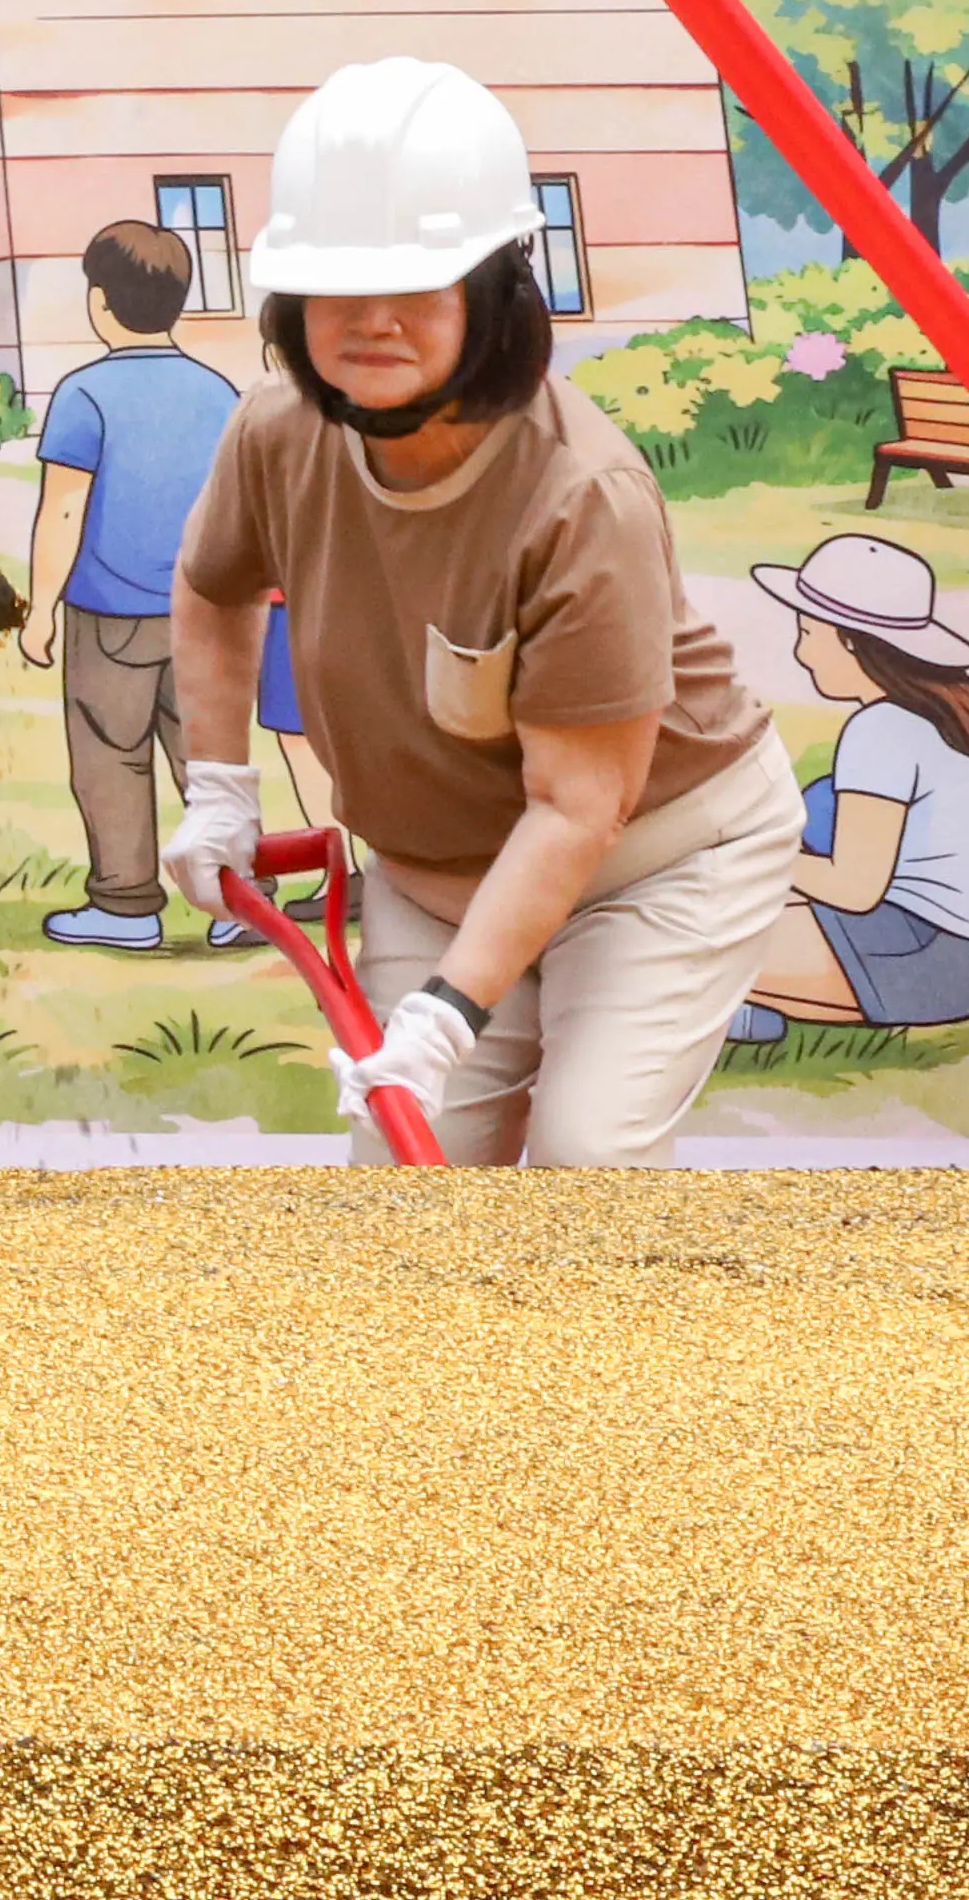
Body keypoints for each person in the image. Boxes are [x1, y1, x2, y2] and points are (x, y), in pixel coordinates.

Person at [163, 59, 804, 1166]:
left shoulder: (581, 495)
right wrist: (218, 785)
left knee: (585, 1155)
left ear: (495, 295)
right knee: (411, 1183)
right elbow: (213, 586)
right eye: (336, 286)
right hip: (435, 875)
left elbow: (579, 804)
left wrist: (448, 1013)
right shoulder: (276, 433)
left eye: (418, 286)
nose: (372, 320)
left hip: (655, 858)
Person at [20, 219, 253, 954]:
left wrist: (40, 609)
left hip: (108, 612)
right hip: (204, 609)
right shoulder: (217, 391)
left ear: (100, 303)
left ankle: (125, 907)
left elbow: (64, 508)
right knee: (209, 759)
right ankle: (238, 901)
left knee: (109, 758)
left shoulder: (83, 393)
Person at [734, 533, 969, 1043]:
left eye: (809, 631)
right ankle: (741, 1012)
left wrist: (750, 853)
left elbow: (853, 890)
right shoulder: (934, 717)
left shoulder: (881, 730)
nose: (801, 651)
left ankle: (730, 1010)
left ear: (852, 640)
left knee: (675, 938)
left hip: (939, 956)